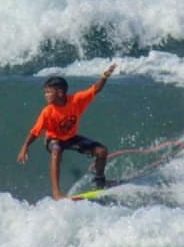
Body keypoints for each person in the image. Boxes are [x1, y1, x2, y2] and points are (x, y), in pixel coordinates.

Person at [17, 64, 117, 200]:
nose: (45, 95)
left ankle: (100, 182)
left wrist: (105, 75)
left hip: (70, 138)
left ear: (60, 92)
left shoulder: (76, 101)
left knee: (102, 151)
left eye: (48, 92)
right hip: (53, 140)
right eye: (45, 92)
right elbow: (35, 132)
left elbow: (96, 89)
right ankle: (57, 193)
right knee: (56, 149)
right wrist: (25, 147)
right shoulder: (47, 111)